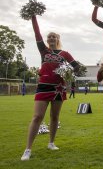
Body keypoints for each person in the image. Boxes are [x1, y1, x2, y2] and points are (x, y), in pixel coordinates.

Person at [21, 15, 80, 161]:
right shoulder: (43, 51)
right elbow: (37, 33)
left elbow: (77, 68)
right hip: (44, 86)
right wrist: (33, 16)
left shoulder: (64, 54)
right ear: (47, 40)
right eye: (49, 37)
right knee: (37, 117)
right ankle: (27, 149)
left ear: (57, 39)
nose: (51, 38)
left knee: (54, 117)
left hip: (59, 88)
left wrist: (69, 73)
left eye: (54, 36)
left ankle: (51, 143)